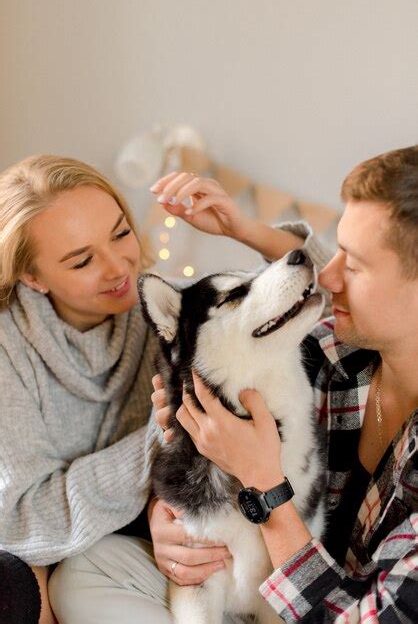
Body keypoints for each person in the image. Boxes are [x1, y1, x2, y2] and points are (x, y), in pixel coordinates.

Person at [0, 154, 302, 624]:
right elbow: (23, 517)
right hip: (58, 555)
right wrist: (155, 443)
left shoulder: (174, 317)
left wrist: (243, 228)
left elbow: (330, 292)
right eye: (82, 260)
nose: (119, 267)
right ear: (32, 277)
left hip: (169, 548)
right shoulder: (9, 349)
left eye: (121, 233)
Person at [149, 145, 418, 622]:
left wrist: (265, 485)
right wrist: (173, 517)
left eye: (352, 265)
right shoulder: (340, 356)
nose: (328, 275)